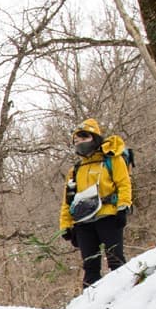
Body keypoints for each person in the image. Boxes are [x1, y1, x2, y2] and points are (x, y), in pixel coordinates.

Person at [61, 118, 132, 286]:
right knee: (90, 267)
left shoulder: (112, 160)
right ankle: (91, 299)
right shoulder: (75, 170)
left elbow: (124, 184)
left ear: (95, 138)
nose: (80, 142)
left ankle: (125, 292)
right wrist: (66, 226)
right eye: (76, 140)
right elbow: (67, 200)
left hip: (109, 216)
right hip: (83, 222)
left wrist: (123, 208)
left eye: (84, 137)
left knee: (115, 260)